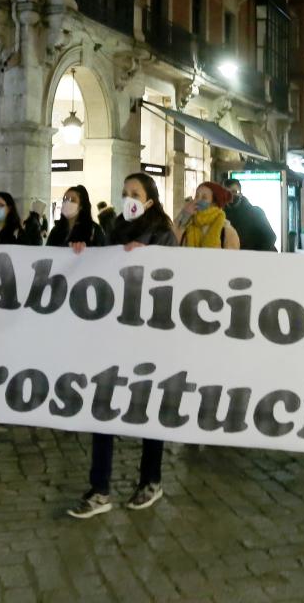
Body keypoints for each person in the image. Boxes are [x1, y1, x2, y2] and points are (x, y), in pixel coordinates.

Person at [68, 173, 174, 519]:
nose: (128, 198)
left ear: (149, 200)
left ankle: (151, 481)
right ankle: (99, 489)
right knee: (104, 407)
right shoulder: (113, 231)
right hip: (113, 335)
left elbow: (176, 278)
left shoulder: (164, 234)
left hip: (150, 338)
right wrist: (84, 254)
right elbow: (103, 269)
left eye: (135, 193)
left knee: (146, 408)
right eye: (124, 192)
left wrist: (152, 258)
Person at [177, 181, 242, 249]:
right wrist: (184, 215)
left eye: (204, 198)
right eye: (197, 196)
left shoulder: (227, 232)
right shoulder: (187, 223)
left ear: (214, 203)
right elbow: (172, 244)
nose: (198, 200)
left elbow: (232, 258)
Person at [46, 184, 107, 251]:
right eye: (65, 199)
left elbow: (102, 254)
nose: (67, 203)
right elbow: (48, 252)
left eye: (72, 200)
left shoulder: (94, 230)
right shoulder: (56, 231)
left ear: (81, 205)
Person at [223, 178, 277, 251]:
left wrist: (254, 256)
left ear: (241, 194)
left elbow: (270, 237)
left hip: (254, 259)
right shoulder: (220, 216)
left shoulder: (255, 213)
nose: (231, 195)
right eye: (227, 192)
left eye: (234, 191)